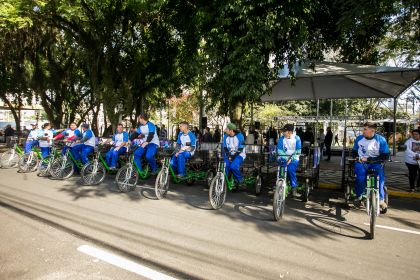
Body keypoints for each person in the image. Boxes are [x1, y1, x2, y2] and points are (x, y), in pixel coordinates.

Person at [352, 122, 390, 210]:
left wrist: (369, 159)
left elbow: (385, 155)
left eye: (365, 129)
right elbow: (354, 151)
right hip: (362, 163)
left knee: (380, 179)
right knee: (360, 178)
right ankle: (359, 196)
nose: (363, 131)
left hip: (376, 163)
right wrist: (357, 157)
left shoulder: (381, 140)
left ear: (372, 130)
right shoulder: (359, 139)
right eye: (363, 129)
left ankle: (381, 199)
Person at [277, 124, 302, 197]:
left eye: (285, 131)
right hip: (283, 157)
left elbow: (298, 151)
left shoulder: (297, 138)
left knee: (290, 169)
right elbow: (279, 150)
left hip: (294, 158)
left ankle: (294, 187)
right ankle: (279, 183)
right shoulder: (281, 139)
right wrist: (286, 159)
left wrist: (291, 159)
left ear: (290, 132)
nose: (283, 133)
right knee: (281, 168)